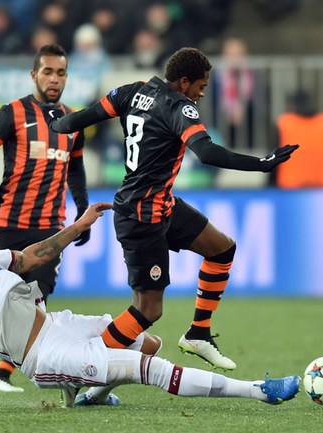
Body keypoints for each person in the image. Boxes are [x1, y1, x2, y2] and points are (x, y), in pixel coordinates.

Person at [0, 205, 300, 409]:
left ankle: (89, 394)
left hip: (58, 325)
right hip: (42, 355)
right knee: (146, 367)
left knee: (149, 343)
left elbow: (32, 257)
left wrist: (78, 225)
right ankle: (258, 392)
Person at [47, 47, 299, 376]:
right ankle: (84, 367)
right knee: (148, 311)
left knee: (222, 249)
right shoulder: (179, 107)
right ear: (183, 82)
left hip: (161, 205)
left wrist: (56, 124)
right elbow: (206, 152)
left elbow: (82, 119)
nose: (202, 93)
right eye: (201, 86)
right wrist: (261, 164)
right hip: (141, 217)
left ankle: (198, 334)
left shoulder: (131, 91)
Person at [0, 43, 89, 392]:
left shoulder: (73, 121)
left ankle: (1, 375)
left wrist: (81, 209)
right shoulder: (13, 113)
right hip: (8, 222)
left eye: (61, 73)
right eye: (48, 72)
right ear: (34, 75)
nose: (54, 79)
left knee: (37, 299)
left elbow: (75, 167)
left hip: (50, 227)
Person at [270, 90, 323, 189]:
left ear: (292, 106)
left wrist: (269, 188)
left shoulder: (285, 124)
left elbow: (273, 161)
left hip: (289, 189)